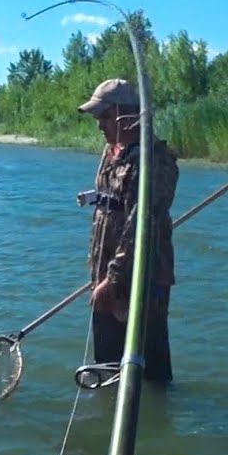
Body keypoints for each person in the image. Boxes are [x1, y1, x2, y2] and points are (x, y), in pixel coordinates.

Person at [77, 78, 179, 383]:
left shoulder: (153, 161)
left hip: (141, 281)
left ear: (128, 115)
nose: (99, 125)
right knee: (108, 367)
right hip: (105, 276)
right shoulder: (111, 152)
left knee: (149, 371)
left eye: (105, 116)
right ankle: (109, 407)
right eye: (97, 117)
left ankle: (153, 409)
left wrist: (112, 281)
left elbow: (140, 226)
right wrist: (101, 279)